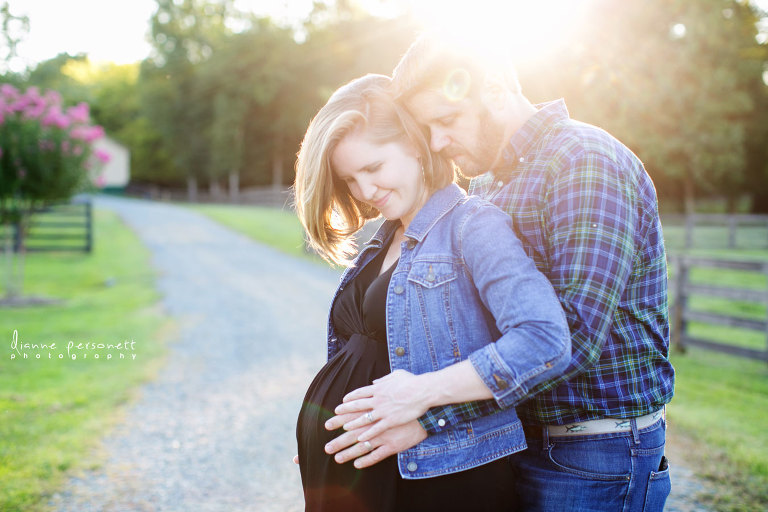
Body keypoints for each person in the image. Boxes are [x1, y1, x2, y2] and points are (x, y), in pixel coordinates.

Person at [324, 36, 676, 511]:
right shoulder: (490, 182)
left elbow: (570, 339)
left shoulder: (585, 162)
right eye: (427, 129)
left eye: (446, 121)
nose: (437, 143)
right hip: (514, 437)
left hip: (593, 451)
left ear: (493, 90)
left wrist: (431, 413)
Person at [293, 73, 570, 511]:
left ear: (417, 147)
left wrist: (423, 399)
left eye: (373, 168)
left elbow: (543, 341)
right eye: (350, 180)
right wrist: (325, 434)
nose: (365, 191)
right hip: (362, 474)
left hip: (439, 479)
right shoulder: (384, 239)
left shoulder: (473, 226)